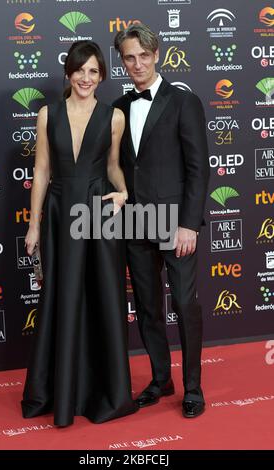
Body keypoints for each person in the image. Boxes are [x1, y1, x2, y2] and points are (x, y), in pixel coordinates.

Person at [21, 40, 138, 427]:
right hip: (58, 212)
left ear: (102, 75)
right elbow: (40, 170)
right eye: (80, 70)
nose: (86, 78)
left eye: (94, 71)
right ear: (68, 73)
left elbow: (113, 165)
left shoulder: (113, 117)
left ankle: (102, 391)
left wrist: (123, 193)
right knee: (62, 295)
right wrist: (34, 223)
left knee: (101, 295)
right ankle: (58, 393)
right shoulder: (47, 114)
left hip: (99, 213)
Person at [113, 24, 210, 418]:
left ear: (157, 55)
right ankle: (160, 378)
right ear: (122, 61)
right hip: (135, 221)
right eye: (129, 58)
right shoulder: (118, 107)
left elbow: (198, 168)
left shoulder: (183, 101)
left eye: (143, 56)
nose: (137, 64)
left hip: (175, 223)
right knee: (148, 307)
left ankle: (192, 387)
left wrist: (189, 224)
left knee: (185, 304)